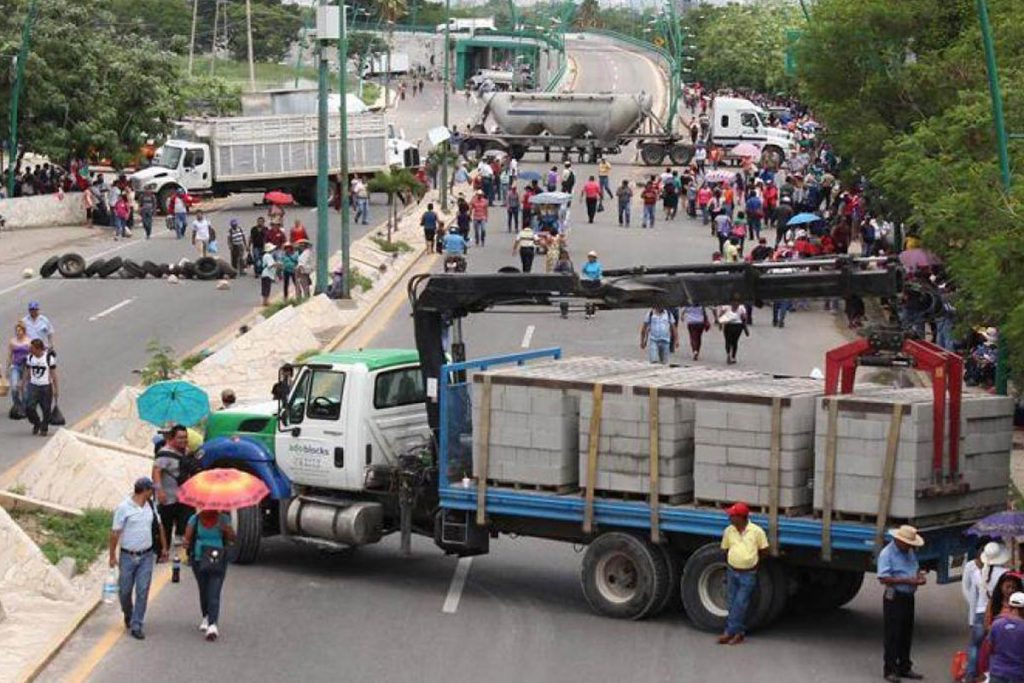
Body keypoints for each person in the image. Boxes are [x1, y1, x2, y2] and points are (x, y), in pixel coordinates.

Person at [109, 477, 167, 640]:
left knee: (142, 590)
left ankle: (137, 624)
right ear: (145, 491)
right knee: (125, 591)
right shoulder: (124, 508)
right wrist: (112, 555)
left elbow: (160, 526)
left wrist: (163, 547)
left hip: (146, 556)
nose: (153, 493)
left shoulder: (151, 506)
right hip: (128, 556)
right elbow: (115, 533)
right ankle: (128, 613)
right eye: (151, 490)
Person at [878, 524, 927, 682]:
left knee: (906, 632)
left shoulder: (910, 552)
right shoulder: (887, 554)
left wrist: (919, 576)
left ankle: (904, 666)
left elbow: (915, 567)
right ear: (899, 541)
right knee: (893, 633)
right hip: (895, 596)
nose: (909, 547)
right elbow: (883, 578)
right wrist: (907, 580)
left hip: (908, 596)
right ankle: (890, 669)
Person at [718, 501, 769, 645]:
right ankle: (737, 633)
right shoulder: (729, 531)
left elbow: (764, 551)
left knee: (740, 603)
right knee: (731, 602)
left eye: (732, 515)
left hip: (748, 574)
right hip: (732, 571)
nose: (729, 518)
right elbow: (725, 549)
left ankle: (729, 632)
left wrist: (754, 563)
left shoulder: (757, 531)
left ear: (741, 518)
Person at [183, 509, 236, 641]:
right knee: (204, 590)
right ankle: (206, 615)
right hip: (199, 560)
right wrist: (186, 542)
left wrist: (226, 529)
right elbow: (187, 539)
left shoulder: (223, 519)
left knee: (214, 592)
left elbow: (233, 538)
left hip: (218, 561)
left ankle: (213, 624)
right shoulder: (194, 519)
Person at [963, 541, 1010, 681]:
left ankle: (970, 675)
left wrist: (971, 618)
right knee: (995, 648)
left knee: (975, 646)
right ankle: (989, 676)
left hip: (979, 613)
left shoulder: (978, 574)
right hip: (996, 614)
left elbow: (973, 596)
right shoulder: (1005, 574)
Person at [153, 424, 198, 545]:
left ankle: (188, 553)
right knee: (166, 528)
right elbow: (156, 472)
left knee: (189, 524)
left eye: (185, 437)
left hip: (184, 498)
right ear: (172, 438)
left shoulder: (185, 452)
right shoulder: (164, 454)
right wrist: (159, 491)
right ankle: (163, 551)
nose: (183, 440)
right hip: (168, 499)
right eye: (180, 438)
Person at [21, 339, 58, 436]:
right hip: (33, 385)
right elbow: (27, 370)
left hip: (45, 386)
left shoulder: (49, 358)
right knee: (29, 407)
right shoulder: (30, 357)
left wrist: (56, 389)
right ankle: (37, 423)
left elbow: (54, 374)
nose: (30, 349)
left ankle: (44, 428)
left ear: (38, 349)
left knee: (46, 409)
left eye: (32, 348)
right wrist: (23, 383)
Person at [989, 592, 1024, 683]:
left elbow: (990, 648)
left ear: (1010, 606)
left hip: (997, 672)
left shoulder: (996, 624)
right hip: (1018, 674)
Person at [7, 321, 30, 416]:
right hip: (15, 366)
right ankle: (18, 405)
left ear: (23, 331)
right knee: (14, 388)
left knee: (24, 389)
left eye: (20, 330)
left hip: (25, 366)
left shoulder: (29, 341)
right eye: (16, 331)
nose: (18, 332)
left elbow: (31, 355)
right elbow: (9, 355)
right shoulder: (12, 341)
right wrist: (7, 368)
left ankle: (24, 408)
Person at [717, 300, 748, 364]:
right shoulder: (741, 306)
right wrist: (745, 327)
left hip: (728, 325)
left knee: (728, 341)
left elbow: (721, 315)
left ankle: (728, 353)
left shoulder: (726, 306)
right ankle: (733, 357)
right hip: (738, 326)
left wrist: (720, 324)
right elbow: (744, 317)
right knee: (735, 341)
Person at [581, 251, 602, 320]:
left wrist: (595, 278)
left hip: (595, 282)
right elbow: (583, 272)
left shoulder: (598, 265)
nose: (590, 259)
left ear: (595, 258)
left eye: (592, 257)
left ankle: (593, 312)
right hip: (587, 282)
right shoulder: (586, 264)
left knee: (593, 297)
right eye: (589, 257)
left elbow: (599, 273)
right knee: (587, 298)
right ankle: (587, 312)